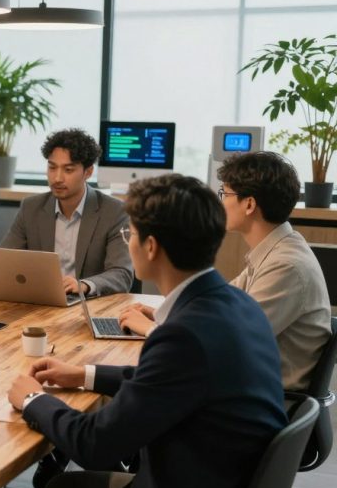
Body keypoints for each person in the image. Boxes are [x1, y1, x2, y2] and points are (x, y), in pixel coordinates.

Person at [0, 174, 287, 488]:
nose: (128, 243)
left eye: (131, 235)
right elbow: (162, 381)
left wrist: (32, 399)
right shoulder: (236, 302)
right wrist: (84, 374)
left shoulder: (183, 335)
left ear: (151, 247)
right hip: (219, 487)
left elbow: (94, 444)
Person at [118, 152, 331, 391]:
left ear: (249, 204)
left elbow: (225, 341)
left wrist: (151, 329)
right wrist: (161, 314)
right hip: (244, 383)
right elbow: (217, 306)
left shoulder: (286, 266)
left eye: (225, 194)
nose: (221, 203)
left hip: (265, 397)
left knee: (140, 389)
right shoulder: (276, 250)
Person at [1, 128, 133, 297]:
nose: (57, 178)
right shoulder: (31, 208)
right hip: (41, 300)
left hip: (89, 303)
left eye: (68, 170)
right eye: (52, 168)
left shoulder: (114, 212)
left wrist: (84, 285)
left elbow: (122, 274)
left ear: (88, 172)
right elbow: (3, 261)